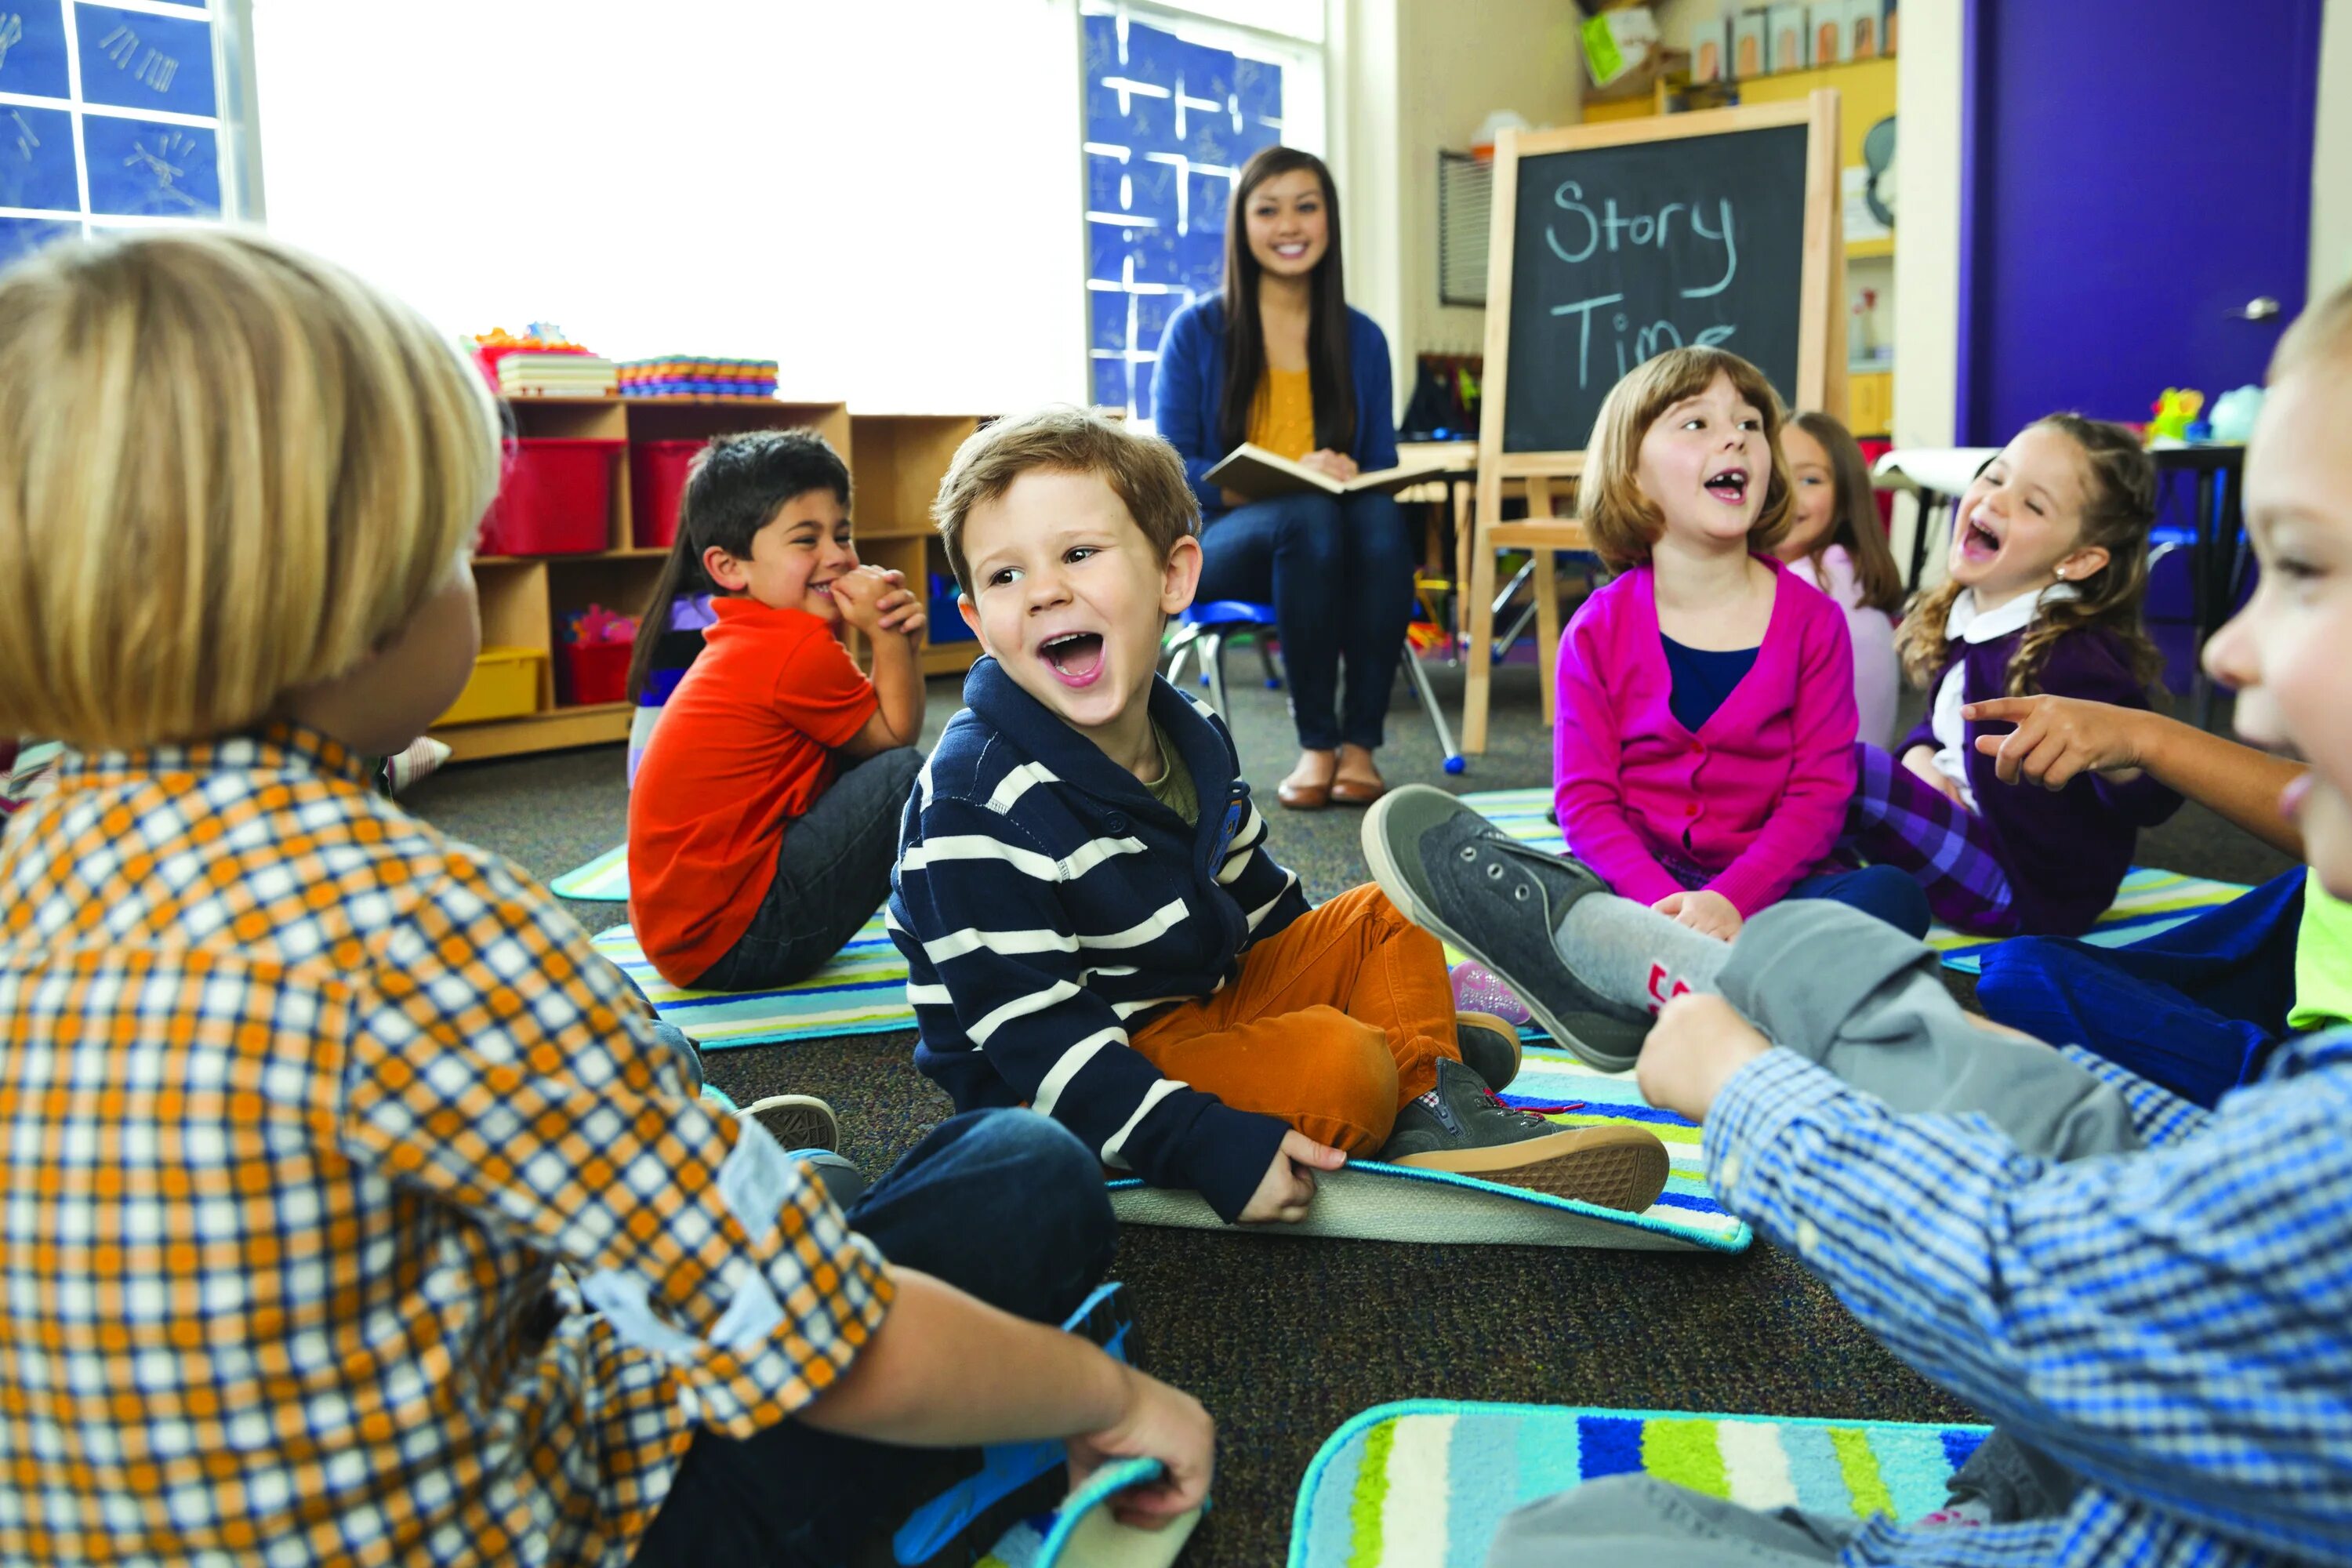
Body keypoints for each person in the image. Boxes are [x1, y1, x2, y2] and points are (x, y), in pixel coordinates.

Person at [0, 229, 1212, 1567]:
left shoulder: (28, 872)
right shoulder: (419, 928)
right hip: (572, 1525)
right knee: (1023, 1173)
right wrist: (1113, 1400)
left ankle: (739, 1181)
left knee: (719, 1136)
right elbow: (830, 1345)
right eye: (457, 548)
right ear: (359, 600)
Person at [1359, 280, 2352, 1566]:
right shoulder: (1613, 620)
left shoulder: (1817, 621)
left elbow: (2051, 1290)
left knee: (1567, 1540)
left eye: (2307, 569)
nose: (2227, 654)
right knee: (1983, 1022)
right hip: (1667, 892)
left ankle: (1678, 983)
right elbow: (1586, 790)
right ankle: (1668, 966)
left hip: (1778, 914)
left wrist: (1749, 1085)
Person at [889, 405, 1671, 1229]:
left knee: (1383, 916)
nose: (1045, 590)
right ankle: (1409, 1067)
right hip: (1066, 1077)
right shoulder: (974, 803)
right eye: (1004, 576)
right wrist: (1200, 1140)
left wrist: (1341, 979)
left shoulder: (1192, 732)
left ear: (1173, 578)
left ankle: (1436, 1092)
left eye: (1078, 554)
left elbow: (1264, 907)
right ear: (977, 619)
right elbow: (1036, 1040)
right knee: (1347, 1066)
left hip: (1194, 1000)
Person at [1553, 346, 1930, 982]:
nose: (1735, 439)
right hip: (1638, 888)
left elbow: (1819, 796)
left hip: (1768, 892)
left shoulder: (1815, 622)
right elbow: (1586, 801)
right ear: (1632, 475)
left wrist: (1730, 901)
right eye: (1697, 423)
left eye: (1750, 424)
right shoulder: (1597, 628)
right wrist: (1661, 910)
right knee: (1558, 890)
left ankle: (1665, 982)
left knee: (1893, 898)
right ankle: (1709, 976)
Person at [1150, 146, 1414, 811]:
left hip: (1333, 534)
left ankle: (1360, 747)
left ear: (1329, 221)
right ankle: (1316, 744)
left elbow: (1379, 461)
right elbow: (1172, 468)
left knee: (1380, 518)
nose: (1289, 225)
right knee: (1307, 516)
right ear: (1243, 225)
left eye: (1307, 206)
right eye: (1268, 210)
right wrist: (1288, 477)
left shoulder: (1363, 340)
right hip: (1219, 540)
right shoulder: (1197, 331)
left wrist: (1354, 471)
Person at [1854, 416, 2181, 936]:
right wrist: (1924, 770)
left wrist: (2123, 760)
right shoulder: (1971, 618)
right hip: (1961, 841)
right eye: (1995, 476)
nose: (1995, 500)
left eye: (2033, 504)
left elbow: (2155, 791)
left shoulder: (2072, 655)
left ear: (2077, 560)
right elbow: (1935, 731)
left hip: (2023, 891)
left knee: (1845, 768)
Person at [626, 431, 926, 992]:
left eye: (842, 534)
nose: (837, 556)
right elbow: (893, 740)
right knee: (906, 777)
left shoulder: (754, 635)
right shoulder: (792, 648)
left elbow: (869, 734)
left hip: (687, 939)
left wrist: (896, 644)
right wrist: (889, 637)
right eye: (805, 540)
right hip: (737, 942)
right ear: (729, 566)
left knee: (868, 766)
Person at [1952, 693, 2350, 1106]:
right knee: (2025, 972)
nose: (2225, 658)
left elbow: (2145, 803)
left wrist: (2148, 738)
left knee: (2021, 975)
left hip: (2323, 1078)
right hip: (2318, 942)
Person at [1775, 411, 1906, 750]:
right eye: (1776, 475)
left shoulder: (1809, 587)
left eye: (1810, 480)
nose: (1788, 493)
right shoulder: (1847, 573)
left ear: (1847, 496)